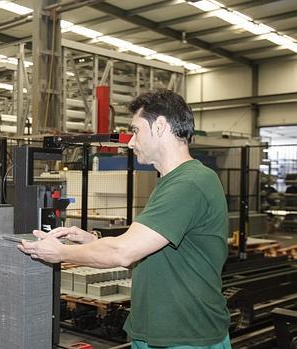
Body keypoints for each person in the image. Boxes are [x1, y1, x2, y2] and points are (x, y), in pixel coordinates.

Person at [18, 89, 231, 348]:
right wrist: (90, 240)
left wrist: (60, 253)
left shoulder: (189, 183)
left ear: (161, 126)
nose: (130, 142)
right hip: (158, 332)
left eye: (136, 131)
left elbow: (123, 252)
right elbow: (147, 249)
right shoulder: (172, 182)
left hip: (186, 336)